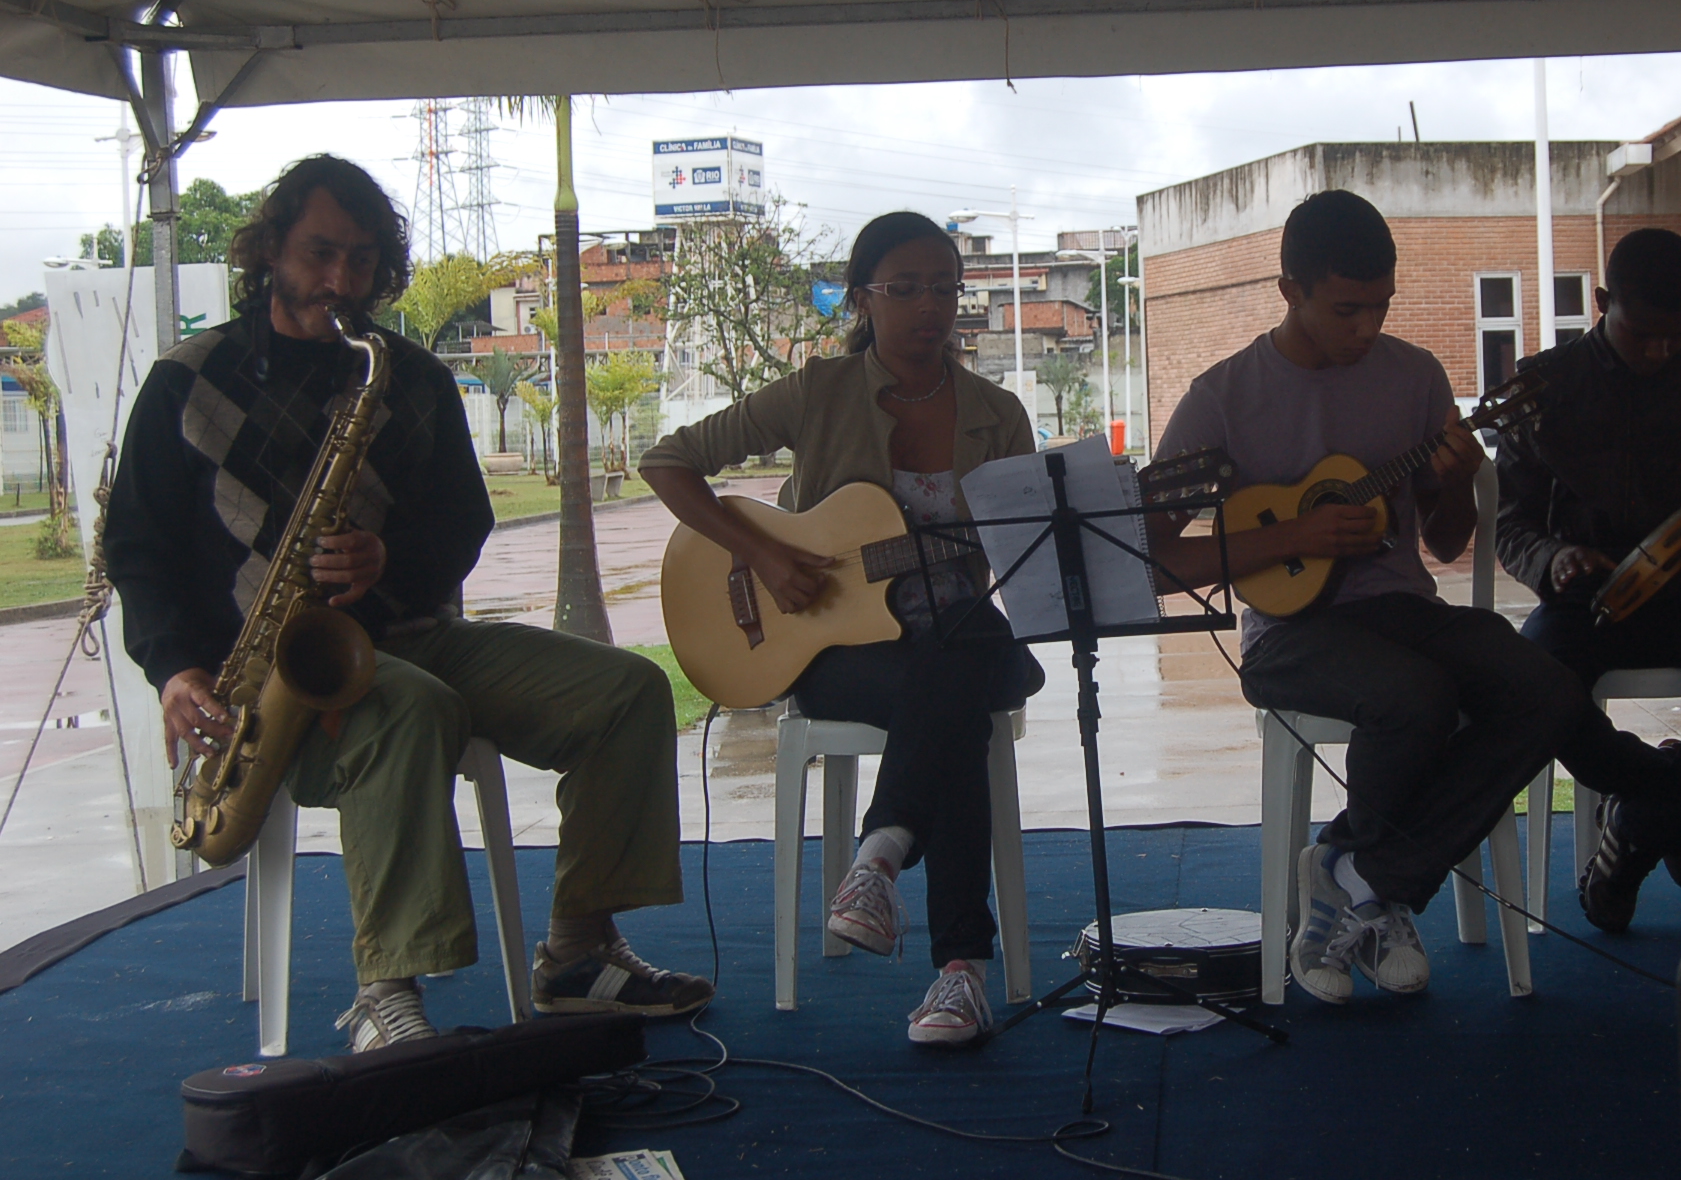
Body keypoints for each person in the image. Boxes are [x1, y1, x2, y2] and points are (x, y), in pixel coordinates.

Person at [107, 156, 711, 1052]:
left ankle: (579, 951)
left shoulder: (407, 375)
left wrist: (391, 555)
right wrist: (173, 669)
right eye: (320, 254)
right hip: (266, 682)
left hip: (415, 635)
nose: (340, 281)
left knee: (627, 692)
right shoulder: (187, 380)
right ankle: (384, 994)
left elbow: (464, 523)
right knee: (406, 710)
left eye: (361, 260)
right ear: (270, 249)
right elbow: (136, 545)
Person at [1148, 191, 1681, 1000]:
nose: (1368, 327)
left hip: (1401, 608)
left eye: (1382, 306)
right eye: (1347, 309)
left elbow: (1445, 541)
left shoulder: (1415, 376)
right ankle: (1380, 885)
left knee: (1546, 688)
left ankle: (1360, 875)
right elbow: (1153, 560)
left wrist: (1453, 483)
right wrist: (1293, 537)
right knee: (1415, 697)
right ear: (1289, 290)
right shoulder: (1221, 397)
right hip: (1290, 632)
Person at [640, 212, 1042, 1046]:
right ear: (862, 297)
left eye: (944, 289)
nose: (929, 306)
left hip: (953, 634)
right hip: (836, 648)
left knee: (960, 655)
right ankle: (962, 972)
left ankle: (879, 860)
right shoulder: (816, 392)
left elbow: (1019, 543)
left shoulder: (997, 414)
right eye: (905, 288)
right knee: (962, 701)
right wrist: (763, 554)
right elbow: (668, 461)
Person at [1494, 228, 1681, 931]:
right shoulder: (1541, 389)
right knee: (1532, 690)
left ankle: (1635, 829)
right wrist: (1553, 558)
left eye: (1677, 336)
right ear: (1603, 303)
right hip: (1580, 602)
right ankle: (1671, 806)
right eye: (1642, 335)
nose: (1660, 351)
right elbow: (1511, 527)